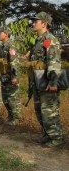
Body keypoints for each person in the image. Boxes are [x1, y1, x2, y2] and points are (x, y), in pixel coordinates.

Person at [29, 11, 63, 147]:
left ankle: (57, 138)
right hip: (38, 81)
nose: (33, 23)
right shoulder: (39, 40)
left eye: (36, 21)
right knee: (39, 110)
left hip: (48, 81)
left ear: (44, 24)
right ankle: (47, 134)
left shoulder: (50, 40)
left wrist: (53, 82)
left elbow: (53, 61)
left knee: (49, 110)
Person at [0, 27, 21, 125]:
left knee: (13, 98)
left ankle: (17, 118)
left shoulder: (11, 45)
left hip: (10, 76)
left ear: (6, 34)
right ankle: (10, 117)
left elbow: (14, 62)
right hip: (4, 76)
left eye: (0, 33)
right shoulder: (1, 46)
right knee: (5, 99)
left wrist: (15, 77)